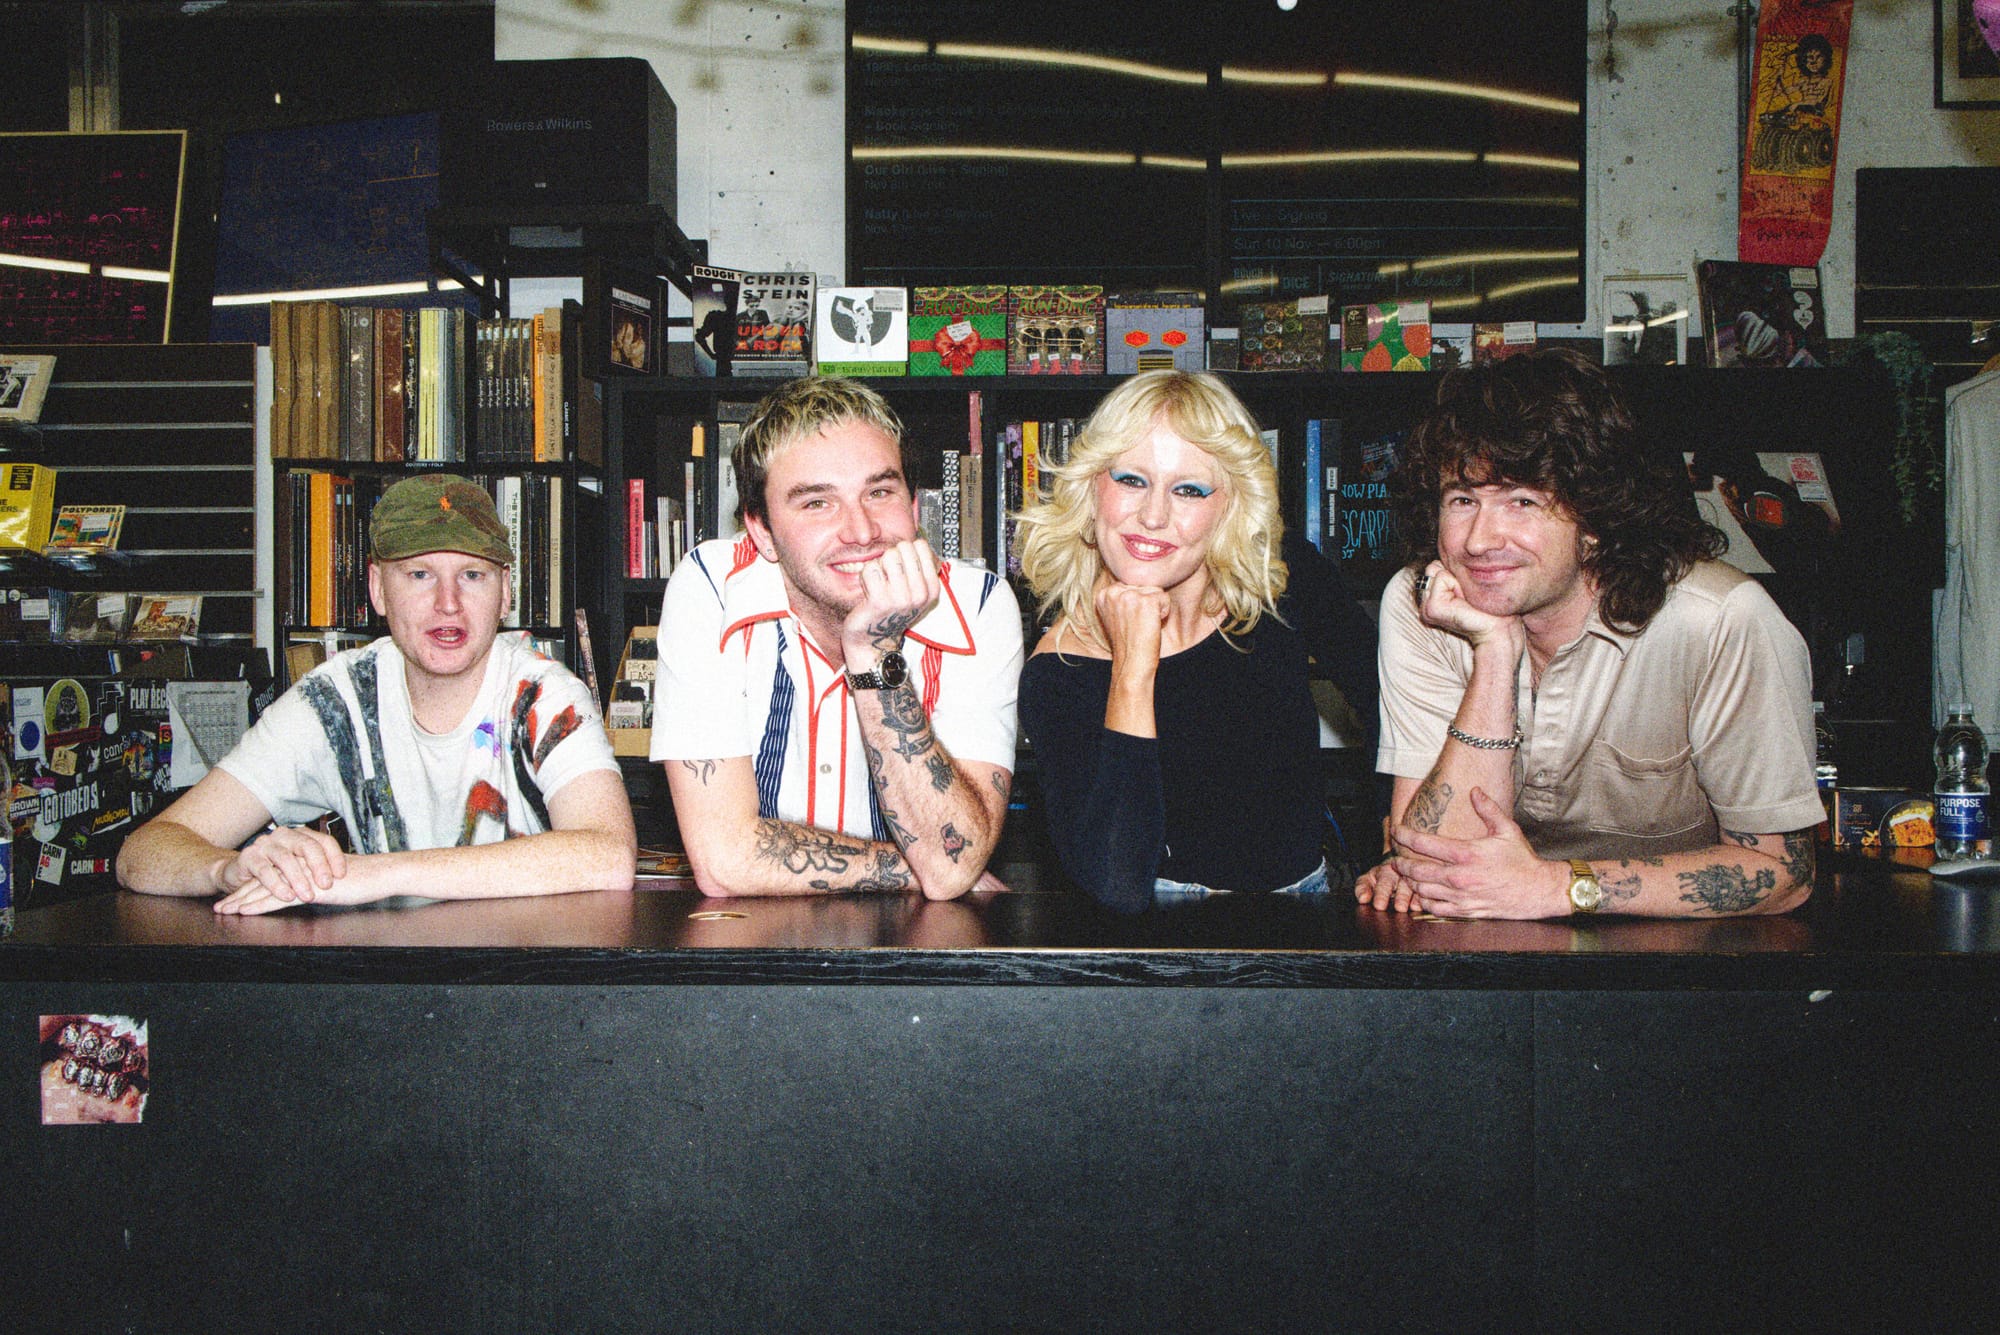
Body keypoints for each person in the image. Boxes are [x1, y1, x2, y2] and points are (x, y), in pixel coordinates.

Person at [1358, 348, 1822, 919]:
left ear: (1597, 517)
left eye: (1522, 501)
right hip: (1495, 939)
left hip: (1687, 950)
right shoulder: (1426, 603)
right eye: (1462, 500)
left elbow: (1784, 873)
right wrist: (1495, 652)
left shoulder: (1720, 620)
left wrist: (1555, 887)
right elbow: (1431, 864)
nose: (1478, 540)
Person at [117, 475, 635, 913]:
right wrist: (227, 869)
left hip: (525, 980)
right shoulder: (333, 701)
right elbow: (142, 853)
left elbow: (609, 855)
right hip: (387, 984)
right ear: (377, 589)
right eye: (419, 574)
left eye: (472, 575)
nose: (448, 603)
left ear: (506, 593)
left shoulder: (543, 696)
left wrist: (375, 874)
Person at [1015, 369, 1378, 912]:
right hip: (1153, 938)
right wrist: (1133, 668)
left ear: (1231, 504)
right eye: (1131, 480)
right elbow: (1118, 884)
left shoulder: (1281, 578)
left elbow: (1389, 701)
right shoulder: (1058, 672)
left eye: (1188, 490)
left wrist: (1399, 846)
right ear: (1091, 487)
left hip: (1305, 921)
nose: (1153, 516)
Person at [653, 375, 1023, 900]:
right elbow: (724, 861)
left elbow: (949, 867)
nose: (862, 531)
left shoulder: (978, 605)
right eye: (817, 503)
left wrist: (874, 653)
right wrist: (919, 867)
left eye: (880, 492)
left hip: (911, 942)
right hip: (755, 940)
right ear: (762, 531)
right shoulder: (712, 588)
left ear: (914, 507)